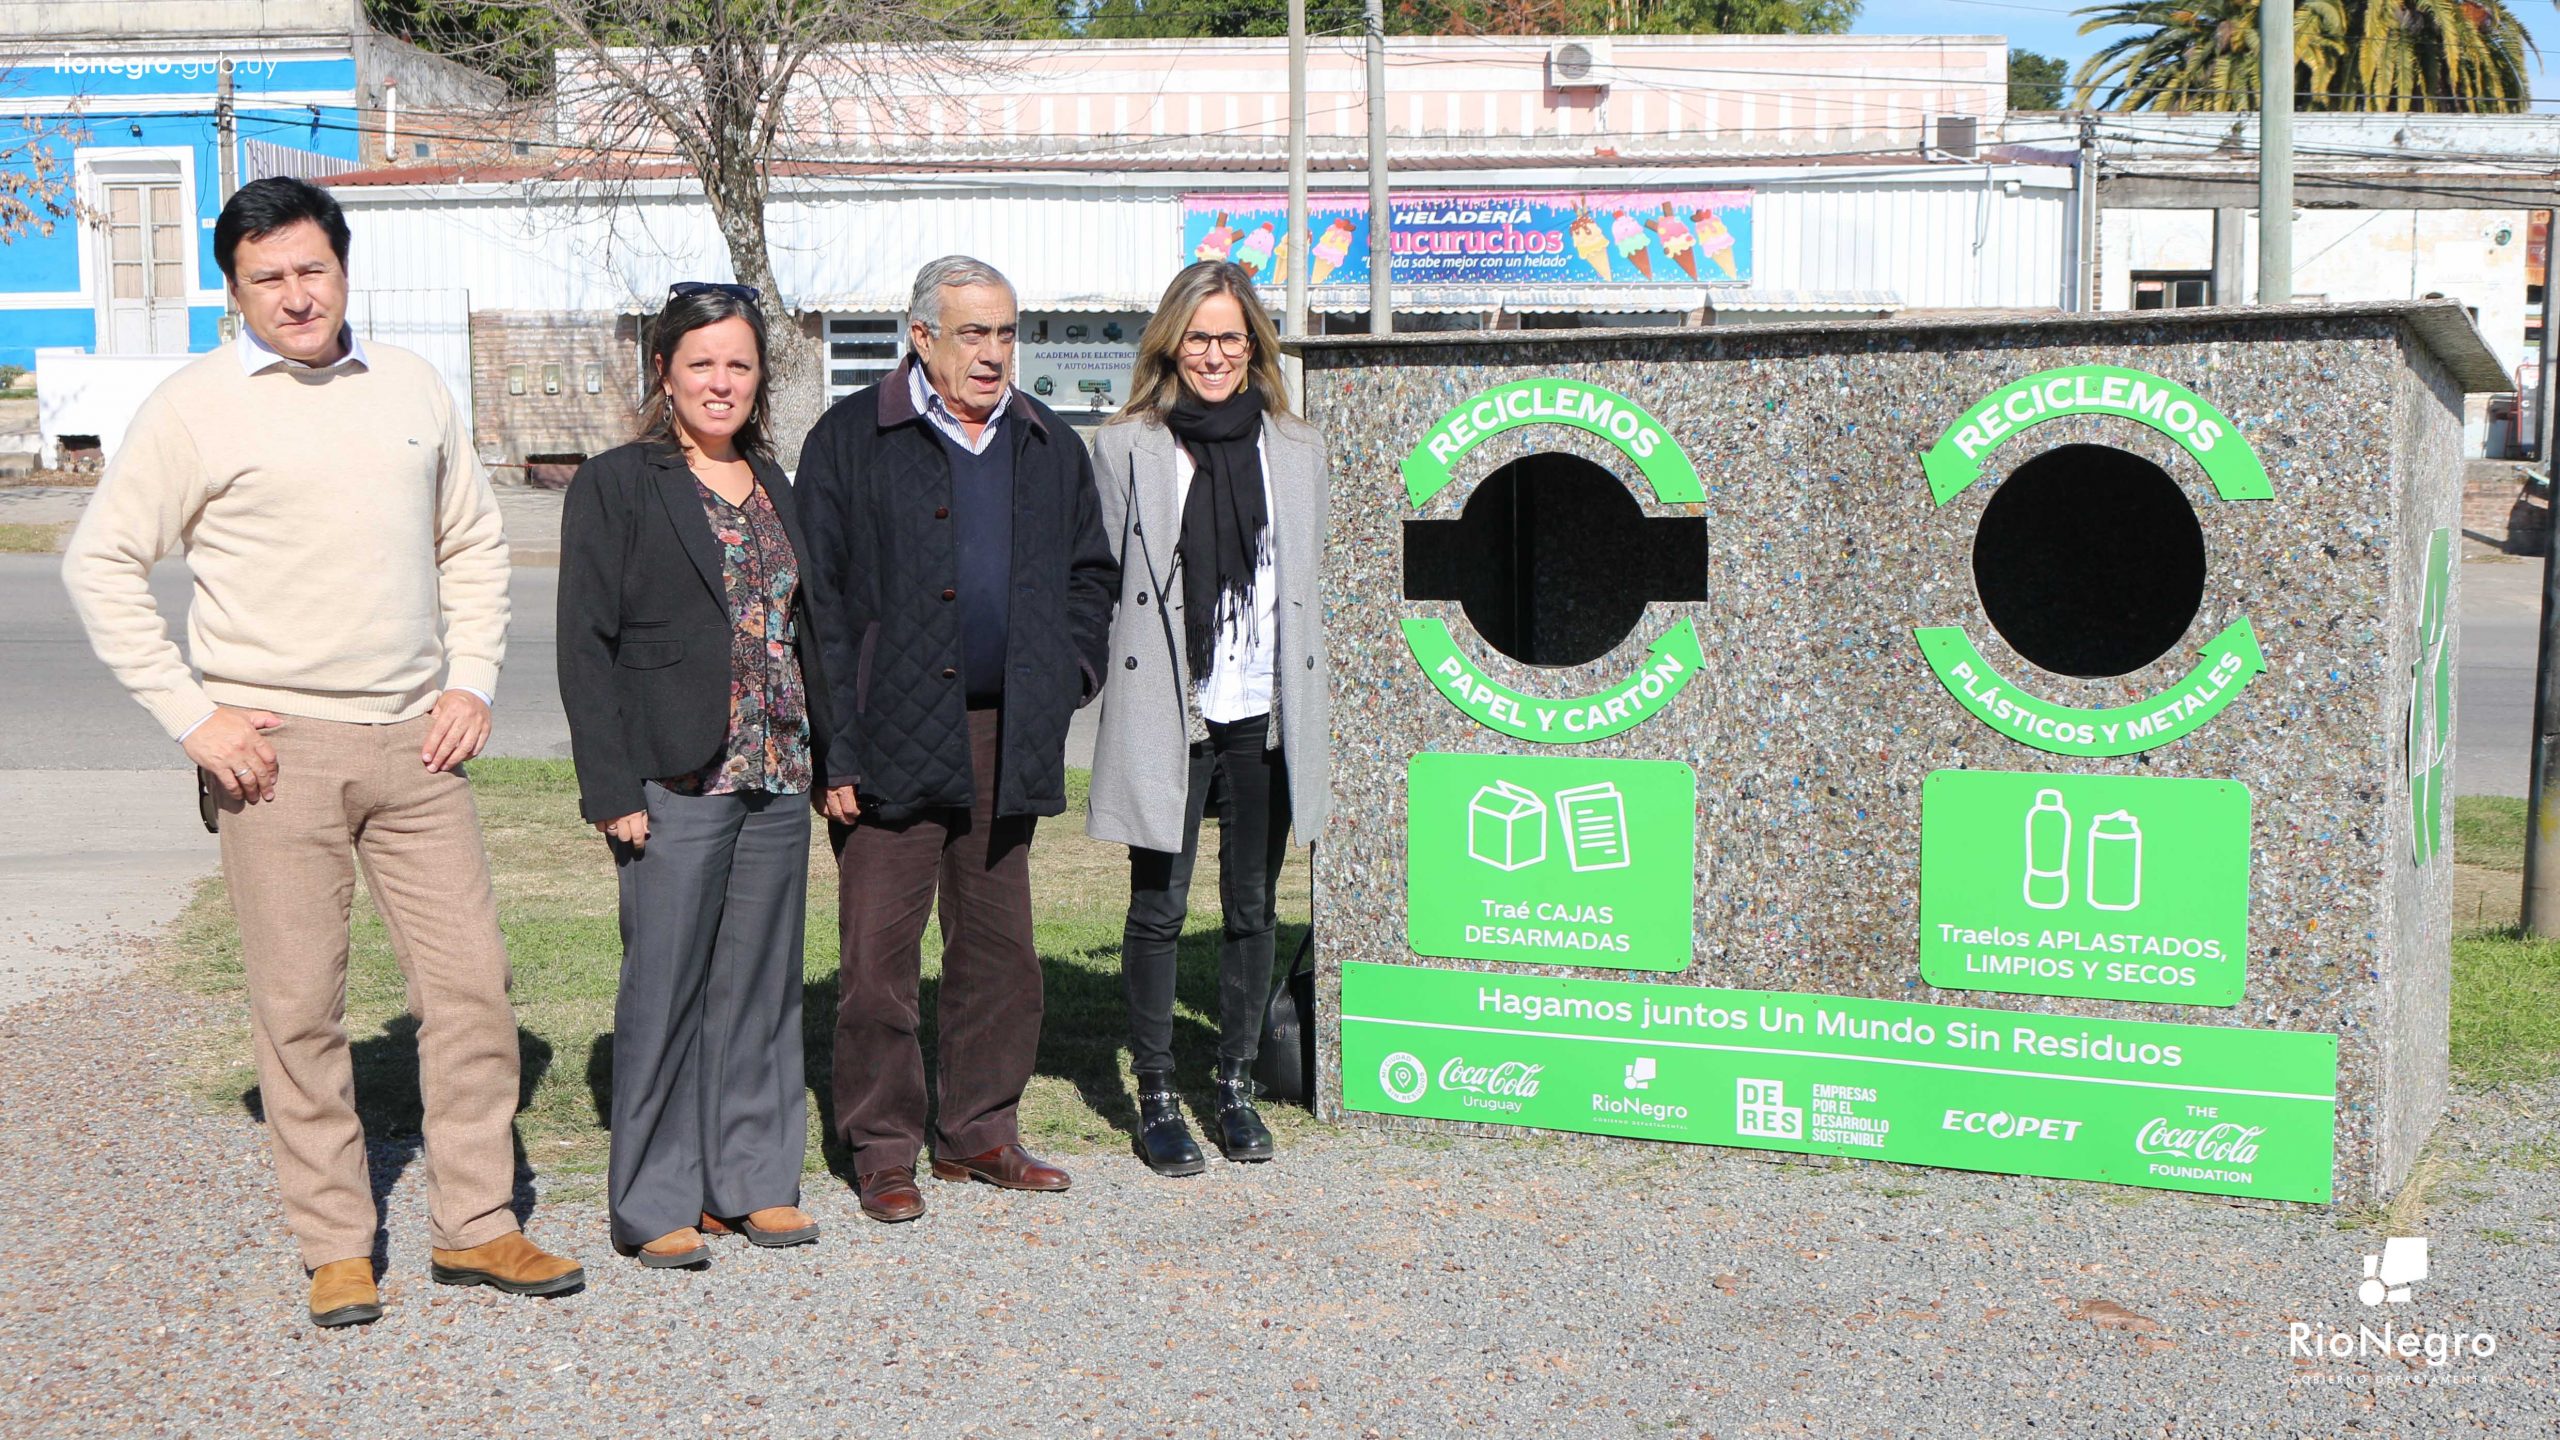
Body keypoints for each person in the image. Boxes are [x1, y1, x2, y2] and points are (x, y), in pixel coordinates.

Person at [59, 176, 582, 1327]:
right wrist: (195, 718)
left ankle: (477, 1225)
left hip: (418, 749)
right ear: (234, 288)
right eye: (267, 279)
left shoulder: (410, 386)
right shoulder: (196, 405)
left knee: (473, 989)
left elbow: (474, 547)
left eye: (312, 269)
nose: (295, 297)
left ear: (344, 267)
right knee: (299, 1008)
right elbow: (99, 565)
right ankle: (337, 1242)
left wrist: (472, 679)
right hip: (272, 755)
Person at [797, 256, 1118, 1222]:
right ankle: (883, 1147)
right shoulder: (852, 437)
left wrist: (1069, 676)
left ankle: (979, 1130)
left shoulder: (1045, 441)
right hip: (886, 734)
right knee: (878, 964)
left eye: (1006, 332)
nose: (992, 353)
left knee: (1000, 955)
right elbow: (819, 605)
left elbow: (1087, 577)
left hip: (1003, 733)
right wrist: (836, 751)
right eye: (971, 332)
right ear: (920, 337)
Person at [557, 283, 830, 1269]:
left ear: (761, 380)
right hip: (673, 778)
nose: (722, 381)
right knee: (666, 988)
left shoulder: (772, 479)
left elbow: (804, 628)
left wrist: (831, 754)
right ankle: (657, 1196)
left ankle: (751, 1181)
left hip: (775, 767)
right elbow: (585, 648)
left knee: (759, 988)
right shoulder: (618, 483)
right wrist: (612, 791)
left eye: (740, 364)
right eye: (702, 362)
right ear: (665, 372)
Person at [1086, 261, 1331, 1175]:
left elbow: (1298, 590)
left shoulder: (1296, 450)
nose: (1217, 354)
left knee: (1253, 905)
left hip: (1264, 710)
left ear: (1255, 344)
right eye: (1200, 337)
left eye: (1232, 337)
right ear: (1170, 344)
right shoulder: (1127, 448)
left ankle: (1231, 1083)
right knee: (1158, 907)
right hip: (1171, 705)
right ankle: (1155, 1094)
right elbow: (1106, 581)